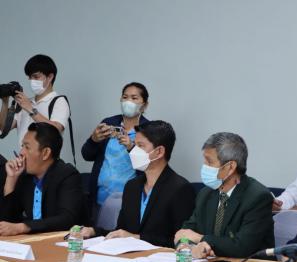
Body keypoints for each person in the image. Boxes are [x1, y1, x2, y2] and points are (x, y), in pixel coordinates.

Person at [81, 120, 196, 248]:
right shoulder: (132, 186)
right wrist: (94, 231)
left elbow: (182, 241)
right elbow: (121, 232)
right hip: (129, 255)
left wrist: (137, 238)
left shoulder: (180, 188)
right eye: (134, 145)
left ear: (159, 151)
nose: (134, 151)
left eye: (140, 146)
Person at [175, 132, 274, 258]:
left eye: (209, 162)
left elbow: (242, 247)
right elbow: (186, 232)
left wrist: (201, 239)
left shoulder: (258, 197)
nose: (204, 166)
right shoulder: (206, 194)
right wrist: (185, 246)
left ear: (230, 167)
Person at [0, 123, 86, 235]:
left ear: (45, 153)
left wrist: (24, 227)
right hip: (32, 241)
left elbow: (67, 219)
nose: (21, 152)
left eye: (27, 147)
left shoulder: (67, 175)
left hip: (67, 241)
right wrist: (11, 180)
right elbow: (6, 222)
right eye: (22, 146)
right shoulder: (24, 176)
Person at [81, 82, 149, 215]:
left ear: (144, 105)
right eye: (125, 97)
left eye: (134, 98)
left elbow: (150, 165)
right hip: (99, 197)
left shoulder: (148, 130)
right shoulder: (109, 123)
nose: (128, 102)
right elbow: (86, 155)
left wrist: (131, 147)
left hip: (129, 201)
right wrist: (94, 140)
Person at [0, 54, 70, 145]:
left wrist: (30, 109)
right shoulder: (25, 103)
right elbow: (3, 128)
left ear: (50, 77)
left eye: (36, 77)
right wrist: (5, 102)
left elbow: (56, 130)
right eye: (30, 77)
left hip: (45, 154)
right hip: (22, 154)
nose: (32, 81)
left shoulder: (59, 101)